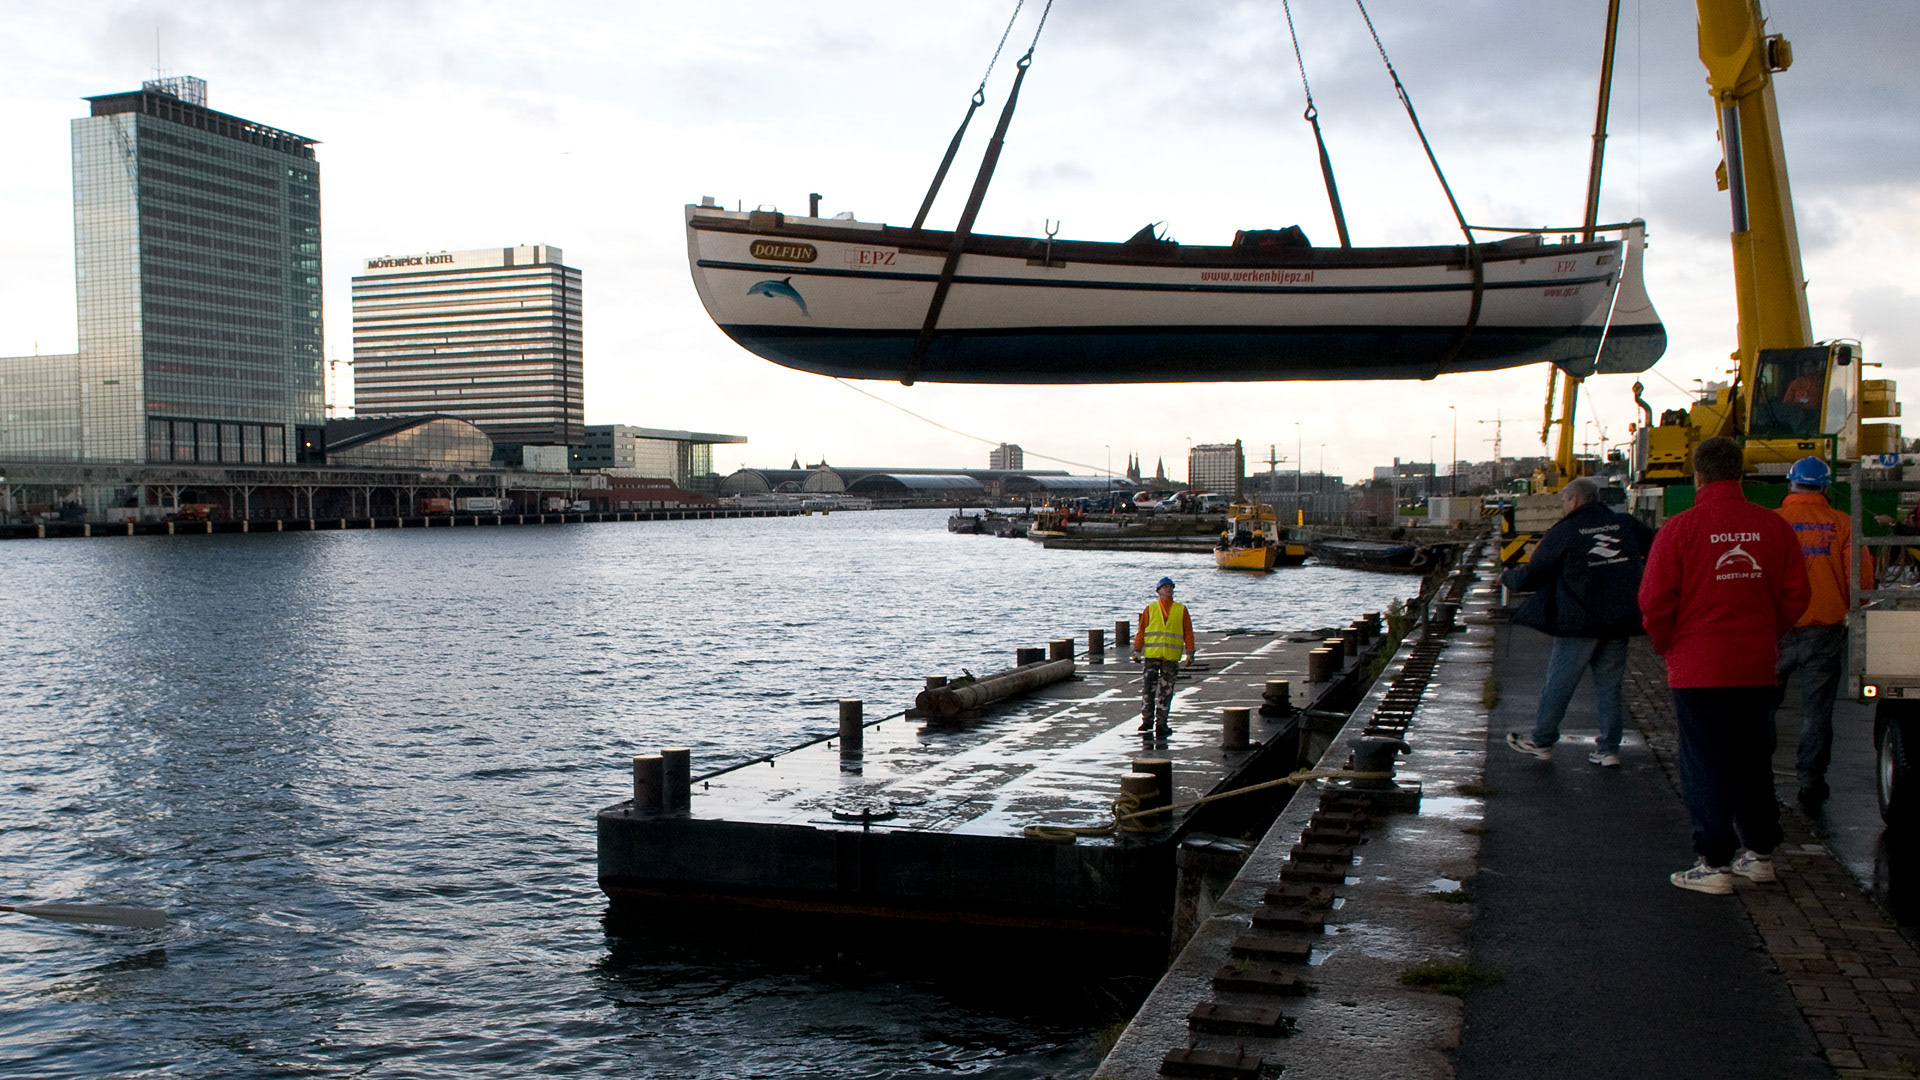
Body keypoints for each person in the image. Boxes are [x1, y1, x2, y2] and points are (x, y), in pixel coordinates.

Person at [1640, 438, 1810, 895]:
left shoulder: (1679, 530)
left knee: (1705, 762)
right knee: (1754, 759)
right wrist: (1765, 632)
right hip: (1755, 665)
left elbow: (1654, 600)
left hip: (1698, 667)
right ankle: (1760, 853)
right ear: (1740, 475)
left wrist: (1668, 644)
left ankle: (1714, 863)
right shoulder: (1772, 526)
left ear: (1698, 476)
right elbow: (1797, 594)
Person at [1503, 477, 1655, 767]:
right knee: (1609, 687)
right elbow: (1658, 548)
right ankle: (1608, 749)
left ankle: (1542, 740)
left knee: (1560, 683)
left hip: (1578, 622)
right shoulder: (1625, 524)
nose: (1563, 505)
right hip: (1619, 620)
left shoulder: (1565, 530)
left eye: (1563, 500)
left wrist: (1508, 577)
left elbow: (1534, 574)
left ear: (1574, 501)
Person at [1773, 456, 1868, 808]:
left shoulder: (1772, 522)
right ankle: (1811, 781)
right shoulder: (1843, 523)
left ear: (1791, 483)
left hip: (1777, 630)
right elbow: (1861, 579)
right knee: (1817, 712)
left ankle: (1756, 777)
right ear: (1825, 488)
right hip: (1825, 630)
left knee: (1762, 708)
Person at [1132, 576, 1195, 738]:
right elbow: (1141, 631)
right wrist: (1137, 650)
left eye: (1170, 587)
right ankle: (1147, 720)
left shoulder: (1181, 609)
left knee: (1166, 691)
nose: (1168, 589)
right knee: (1148, 689)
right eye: (1165, 587)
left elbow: (1188, 632)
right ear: (1158, 591)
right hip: (1152, 656)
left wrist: (1190, 653)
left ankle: (1161, 723)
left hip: (1170, 657)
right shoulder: (1150, 609)